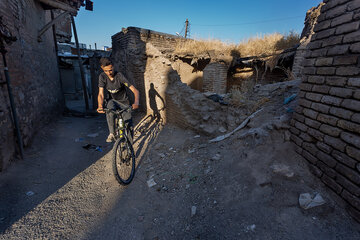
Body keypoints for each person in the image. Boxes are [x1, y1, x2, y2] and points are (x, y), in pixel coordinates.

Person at [97, 57, 139, 142]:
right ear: (102, 68)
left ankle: (129, 144)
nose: (109, 73)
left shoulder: (119, 76)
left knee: (128, 124)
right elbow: (101, 94)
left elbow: (135, 91)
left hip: (123, 102)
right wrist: (100, 106)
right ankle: (112, 134)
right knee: (109, 109)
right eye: (106, 71)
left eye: (110, 70)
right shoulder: (102, 77)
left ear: (113, 66)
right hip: (112, 101)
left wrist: (136, 102)